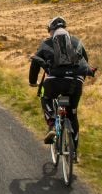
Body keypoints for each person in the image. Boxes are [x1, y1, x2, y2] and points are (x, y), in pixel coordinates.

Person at [28, 17, 96, 158]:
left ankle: (52, 123)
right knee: (72, 115)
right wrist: (79, 79)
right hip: (74, 83)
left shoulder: (46, 43)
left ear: (50, 31)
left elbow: (35, 63)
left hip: (54, 82)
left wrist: (33, 81)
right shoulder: (77, 41)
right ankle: (74, 153)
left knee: (45, 97)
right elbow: (85, 62)